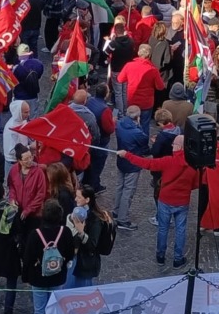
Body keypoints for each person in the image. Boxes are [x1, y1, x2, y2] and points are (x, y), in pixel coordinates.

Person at [118, 134, 194, 268]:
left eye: (174, 145)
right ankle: (178, 258)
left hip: (165, 199)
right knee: (180, 229)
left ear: (179, 147)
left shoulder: (168, 161)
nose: (172, 147)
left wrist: (127, 155)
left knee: (163, 228)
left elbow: (147, 164)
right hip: (182, 201)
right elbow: (197, 182)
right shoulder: (193, 164)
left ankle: (160, 256)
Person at [21, 198, 76, 314]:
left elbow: (27, 259)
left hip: (38, 278)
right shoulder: (65, 232)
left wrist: (26, 276)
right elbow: (70, 253)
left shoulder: (34, 234)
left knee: (39, 309)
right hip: (58, 277)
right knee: (53, 308)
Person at [65, 184, 113, 288]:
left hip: (85, 263)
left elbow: (92, 245)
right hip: (76, 260)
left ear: (87, 200)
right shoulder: (78, 212)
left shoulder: (95, 219)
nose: (75, 199)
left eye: (78, 197)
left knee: (82, 292)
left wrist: (81, 232)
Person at [114, 105, 149, 231]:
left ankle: (116, 211)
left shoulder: (119, 124)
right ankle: (122, 219)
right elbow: (144, 147)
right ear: (137, 117)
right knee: (128, 191)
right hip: (132, 164)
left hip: (121, 161)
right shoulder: (138, 133)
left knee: (120, 187)